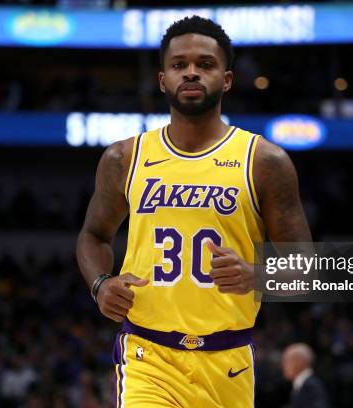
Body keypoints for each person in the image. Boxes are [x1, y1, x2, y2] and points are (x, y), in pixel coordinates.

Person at [76, 15, 311, 408]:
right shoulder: (123, 157)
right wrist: (100, 284)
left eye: (205, 65)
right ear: (162, 79)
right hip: (147, 357)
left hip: (228, 361)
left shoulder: (265, 161)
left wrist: (257, 275)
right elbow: (93, 236)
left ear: (227, 79)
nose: (191, 73)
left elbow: (305, 269)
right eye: (179, 65)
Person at [281, 343, 331, 408]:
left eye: (287, 361)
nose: (283, 366)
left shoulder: (309, 386)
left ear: (299, 361)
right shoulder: (305, 384)